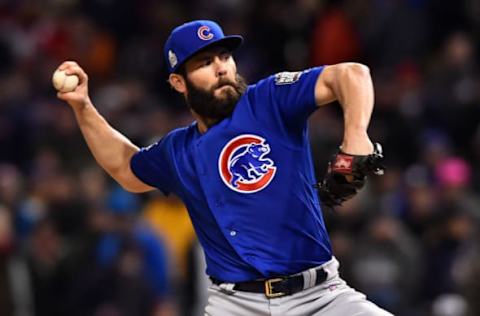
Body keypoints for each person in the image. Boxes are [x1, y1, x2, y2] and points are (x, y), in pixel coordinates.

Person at [56, 20, 393, 315]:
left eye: (225, 57)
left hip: (321, 297)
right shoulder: (178, 149)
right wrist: (83, 106)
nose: (221, 68)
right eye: (205, 62)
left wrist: (355, 137)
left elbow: (351, 74)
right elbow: (125, 167)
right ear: (178, 83)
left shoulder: (269, 100)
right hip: (236, 305)